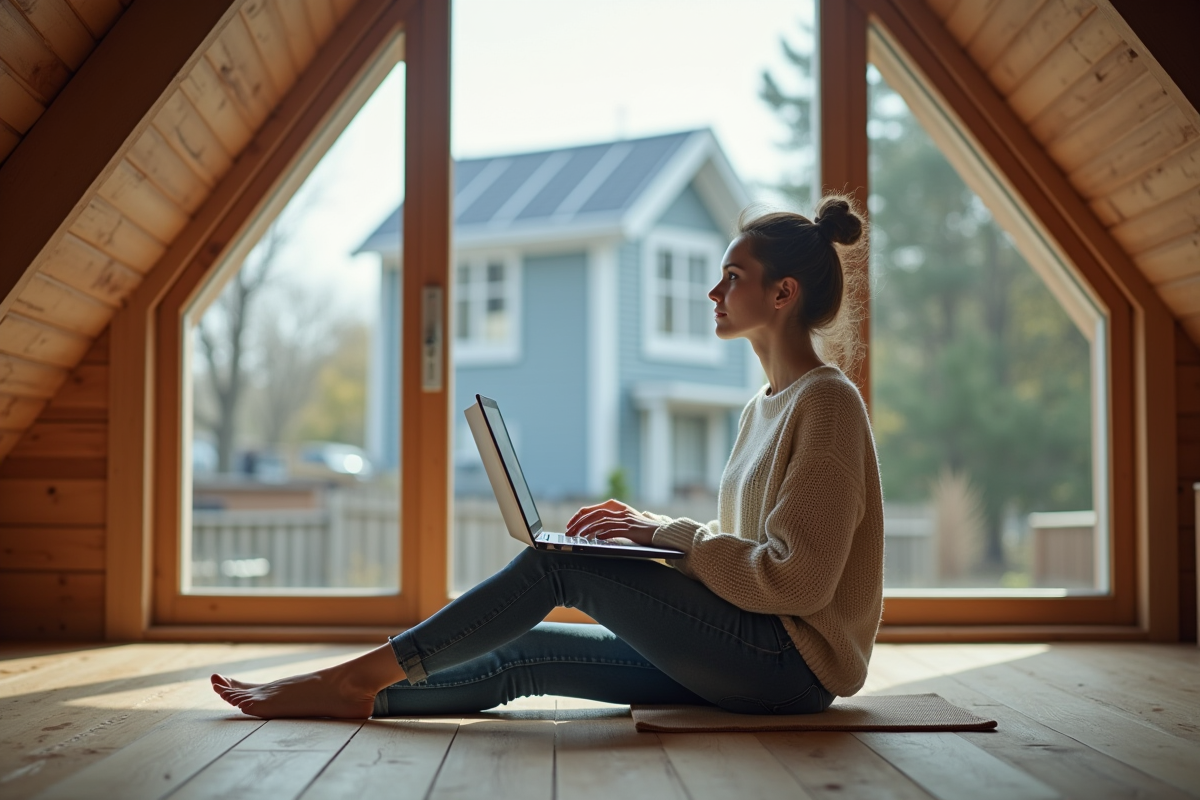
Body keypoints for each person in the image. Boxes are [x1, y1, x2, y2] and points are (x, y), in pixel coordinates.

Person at [211, 195, 884, 719]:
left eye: (732, 277)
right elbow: (746, 557)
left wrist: (664, 537)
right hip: (752, 651)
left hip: (787, 667)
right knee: (530, 658)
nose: (713, 292)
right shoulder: (764, 404)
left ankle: (355, 675)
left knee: (557, 567)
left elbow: (797, 583)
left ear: (782, 293)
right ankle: (365, 698)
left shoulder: (827, 405)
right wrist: (653, 535)